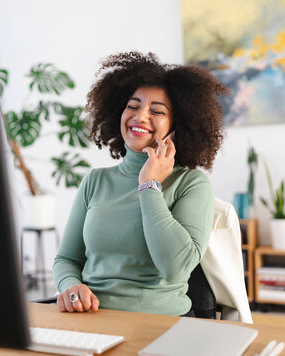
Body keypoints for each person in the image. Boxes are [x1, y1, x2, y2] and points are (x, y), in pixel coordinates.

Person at [52, 51, 230, 316]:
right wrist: (71, 286)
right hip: (91, 319)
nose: (140, 116)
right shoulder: (95, 181)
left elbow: (176, 267)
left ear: (176, 126)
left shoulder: (191, 184)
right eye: (132, 106)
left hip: (161, 324)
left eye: (157, 111)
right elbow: (66, 259)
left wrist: (149, 184)